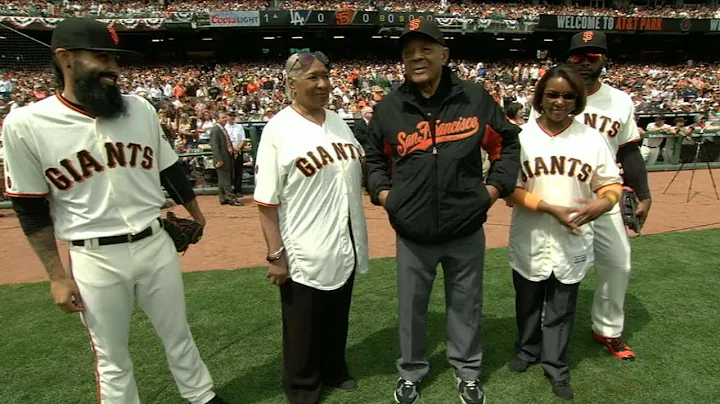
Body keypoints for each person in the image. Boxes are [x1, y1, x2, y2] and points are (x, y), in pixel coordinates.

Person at [0, 18, 226, 404]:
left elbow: (169, 167)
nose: (114, 68)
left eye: (115, 58)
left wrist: (196, 212)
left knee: (178, 334)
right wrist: (56, 276)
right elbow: (29, 207)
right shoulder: (26, 123)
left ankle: (201, 396)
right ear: (65, 58)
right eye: (102, 57)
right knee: (111, 355)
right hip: (93, 256)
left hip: (155, 243)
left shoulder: (138, 109)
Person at [362, 19, 521, 404]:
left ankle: (467, 370)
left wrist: (492, 191)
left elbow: (507, 145)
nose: (416, 57)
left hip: (465, 227)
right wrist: (386, 196)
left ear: (444, 55)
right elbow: (373, 159)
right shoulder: (389, 108)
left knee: (466, 305)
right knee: (411, 309)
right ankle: (411, 371)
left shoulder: (474, 98)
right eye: (408, 52)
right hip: (413, 233)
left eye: (426, 49)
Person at [253, 51, 369, 404]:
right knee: (302, 326)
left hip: (345, 238)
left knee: (337, 315)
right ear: (292, 83)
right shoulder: (278, 129)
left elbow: (358, 161)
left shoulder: (336, 120)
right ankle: (303, 384)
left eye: (326, 76)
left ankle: (335, 369)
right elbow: (266, 201)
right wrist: (276, 254)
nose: (323, 84)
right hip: (303, 245)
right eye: (313, 77)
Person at [529, 30, 651, 360]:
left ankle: (608, 330)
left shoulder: (620, 101)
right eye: (577, 56)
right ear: (567, 59)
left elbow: (629, 152)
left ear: (605, 60)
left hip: (604, 195)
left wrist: (644, 194)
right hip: (560, 194)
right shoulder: (554, 93)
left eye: (592, 56)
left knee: (618, 263)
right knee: (550, 266)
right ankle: (544, 329)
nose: (584, 63)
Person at [505, 65, 623, 400]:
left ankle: (556, 364)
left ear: (578, 99)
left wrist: (604, 204)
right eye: (552, 94)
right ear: (540, 97)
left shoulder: (592, 138)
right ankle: (527, 350)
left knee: (561, 304)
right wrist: (547, 207)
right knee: (527, 300)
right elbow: (509, 188)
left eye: (568, 96)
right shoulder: (521, 137)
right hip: (531, 233)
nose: (559, 101)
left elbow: (610, 183)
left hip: (573, 236)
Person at [209, 111, 242, 206]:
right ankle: (231, 198)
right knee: (226, 179)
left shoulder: (222, 129)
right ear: (217, 119)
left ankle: (223, 198)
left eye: (225, 117)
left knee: (222, 179)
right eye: (222, 118)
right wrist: (219, 159)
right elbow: (214, 146)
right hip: (222, 158)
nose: (225, 119)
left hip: (227, 156)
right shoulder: (215, 130)